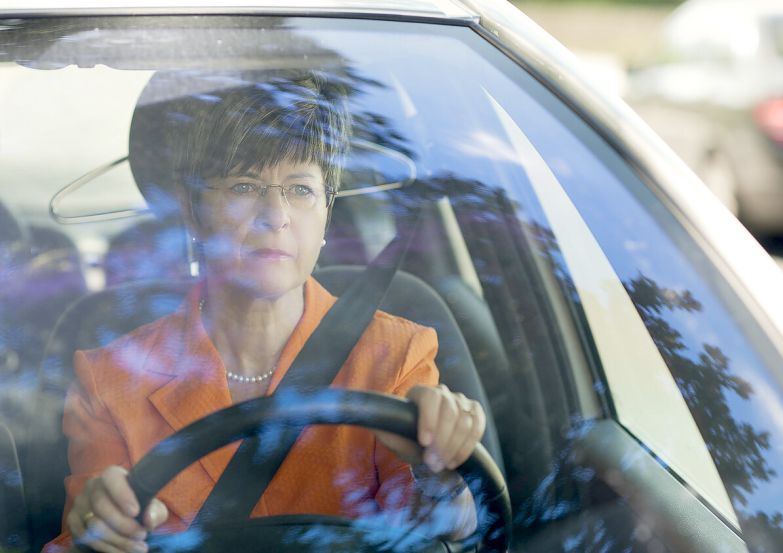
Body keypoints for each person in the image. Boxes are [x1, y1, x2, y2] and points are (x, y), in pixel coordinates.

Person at [43, 70, 486, 553]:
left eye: (300, 189)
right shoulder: (108, 381)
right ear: (193, 213)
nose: (275, 215)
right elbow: (80, 539)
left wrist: (441, 474)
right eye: (244, 186)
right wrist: (97, 533)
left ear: (326, 213)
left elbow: (437, 532)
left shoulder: (395, 355)